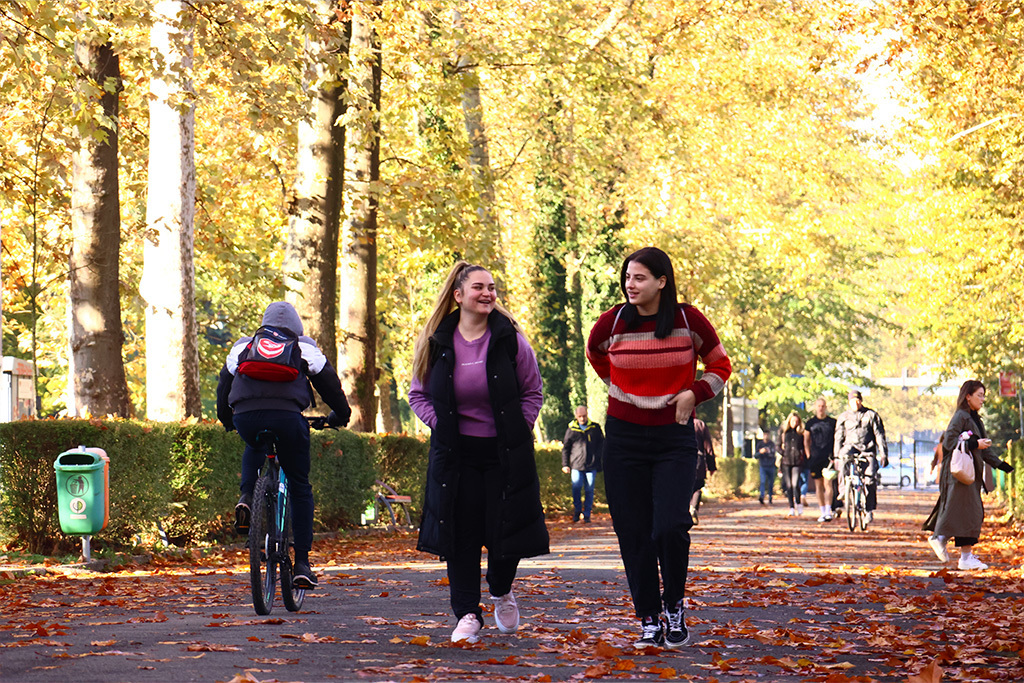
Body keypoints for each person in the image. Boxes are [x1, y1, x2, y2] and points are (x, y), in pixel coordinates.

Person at [586, 247, 731, 649]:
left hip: (673, 437)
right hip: (624, 438)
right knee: (632, 531)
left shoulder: (688, 320)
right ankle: (649, 617)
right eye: (627, 278)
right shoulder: (612, 322)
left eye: (640, 278)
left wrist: (694, 393)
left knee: (670, 526)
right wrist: (622, 389)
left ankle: (674, 605)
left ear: (662, 281)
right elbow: (596, 355)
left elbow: (720, 365)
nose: (630, 285)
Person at [408, 261, 548, 644]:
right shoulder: (437, 342)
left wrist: (519, 428)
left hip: (504, 453)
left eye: (492, 287)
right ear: (458, 295)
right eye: (479, 287)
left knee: (506, 530)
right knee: (461, 534)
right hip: (457, 456)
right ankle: (467, 613)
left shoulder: (510, 340)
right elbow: (418, 395)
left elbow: (532, 391)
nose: (488, 293)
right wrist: (442, 425)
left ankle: (501, 588)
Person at [216, 301, 352, 589]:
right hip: (288, 418)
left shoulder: (244, 346)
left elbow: (223, 387)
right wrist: (340, 415)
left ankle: (246, 496)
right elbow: (329, 384)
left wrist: (228, 420)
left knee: (254, 444)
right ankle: (302, 563)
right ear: (296, 327)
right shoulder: (303, 346)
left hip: (247, 417)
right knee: (300, 486)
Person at [922, 380, 1013, 570]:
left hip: (969, 473)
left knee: (967, 513)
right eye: (979, 395)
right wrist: (974, 444)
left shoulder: (975, 419)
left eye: (983, 396)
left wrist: (1002, 465)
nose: (983, 399)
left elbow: (984, 449)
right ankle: (946, 542)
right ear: (968, 396)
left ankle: (960, 552)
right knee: (970, 512)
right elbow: (949, 442)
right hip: (959, 473)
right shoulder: (961, 416)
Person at [833, 389, 888, 526]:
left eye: (858, 400)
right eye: (853, 401)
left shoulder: (871, 415)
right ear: (849, 402)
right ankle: (843, 490)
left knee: (870, 480)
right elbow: (838, 437)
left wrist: (883, 454)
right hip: (850, 448)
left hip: (867, 451)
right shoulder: (844, 417)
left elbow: (879, 436)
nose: (855, 403)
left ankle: (868, 510)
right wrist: (836, 456)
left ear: (861, 401)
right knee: (842, 460)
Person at [561, 406, 604, 523]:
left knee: (589, 490)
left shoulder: (594, 428)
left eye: (584, 416)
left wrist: (598, 459)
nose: (582, 418)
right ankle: (577, 511)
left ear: (587, 415)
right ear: (576, 416)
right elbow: (566, 448)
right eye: (579, 416)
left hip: (591, 465)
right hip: (576, 465)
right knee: (576, 487)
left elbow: (601, 445)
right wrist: (565, 464)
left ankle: (587, 514)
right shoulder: (571, 429)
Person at [803, 398, 837, 522]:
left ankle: (828, 511)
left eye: (823, 406)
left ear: (826, 407)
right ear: (815, 407)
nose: (821, 408)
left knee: (828, 484)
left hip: (828, 458)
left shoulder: (832, 422)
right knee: (818, 485)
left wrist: (835, 455)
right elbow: (806, 440)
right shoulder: (810, 423)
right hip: (815, 458)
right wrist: (808, 455)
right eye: (819, 406)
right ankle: (822, 511)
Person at [778, 412, 808, 517]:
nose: (794, 423)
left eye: (796, 421)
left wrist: (801, 455)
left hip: (797, 462)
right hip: (786, 462)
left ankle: (798, 504)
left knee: (795, 484)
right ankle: (791, 507)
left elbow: (804, 446)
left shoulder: (800, 433)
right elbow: (777, 445)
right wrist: (784, 453)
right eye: (793, 421)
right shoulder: (784, 432)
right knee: (789, 486)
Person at [689, 418, 717, 525]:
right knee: (697, 487)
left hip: (681, 461)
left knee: (684, 487)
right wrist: (711, 466)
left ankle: (684, 512)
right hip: (698, 461)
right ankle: (693, 508)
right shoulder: (700, 424)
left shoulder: (677, 421)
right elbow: (708, 447)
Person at [754, 430, 777, 505]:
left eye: (767, 435)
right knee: (763, 481)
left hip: (771, 466)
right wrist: (760, 452)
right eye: (765, 435)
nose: (766, 436)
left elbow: (773, 454)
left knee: (770, 483)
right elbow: (755, 455)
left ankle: (770, 497)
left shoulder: (772, 444)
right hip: (763, 466)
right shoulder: (760, 444)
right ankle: (762, 496)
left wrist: (768, 452)